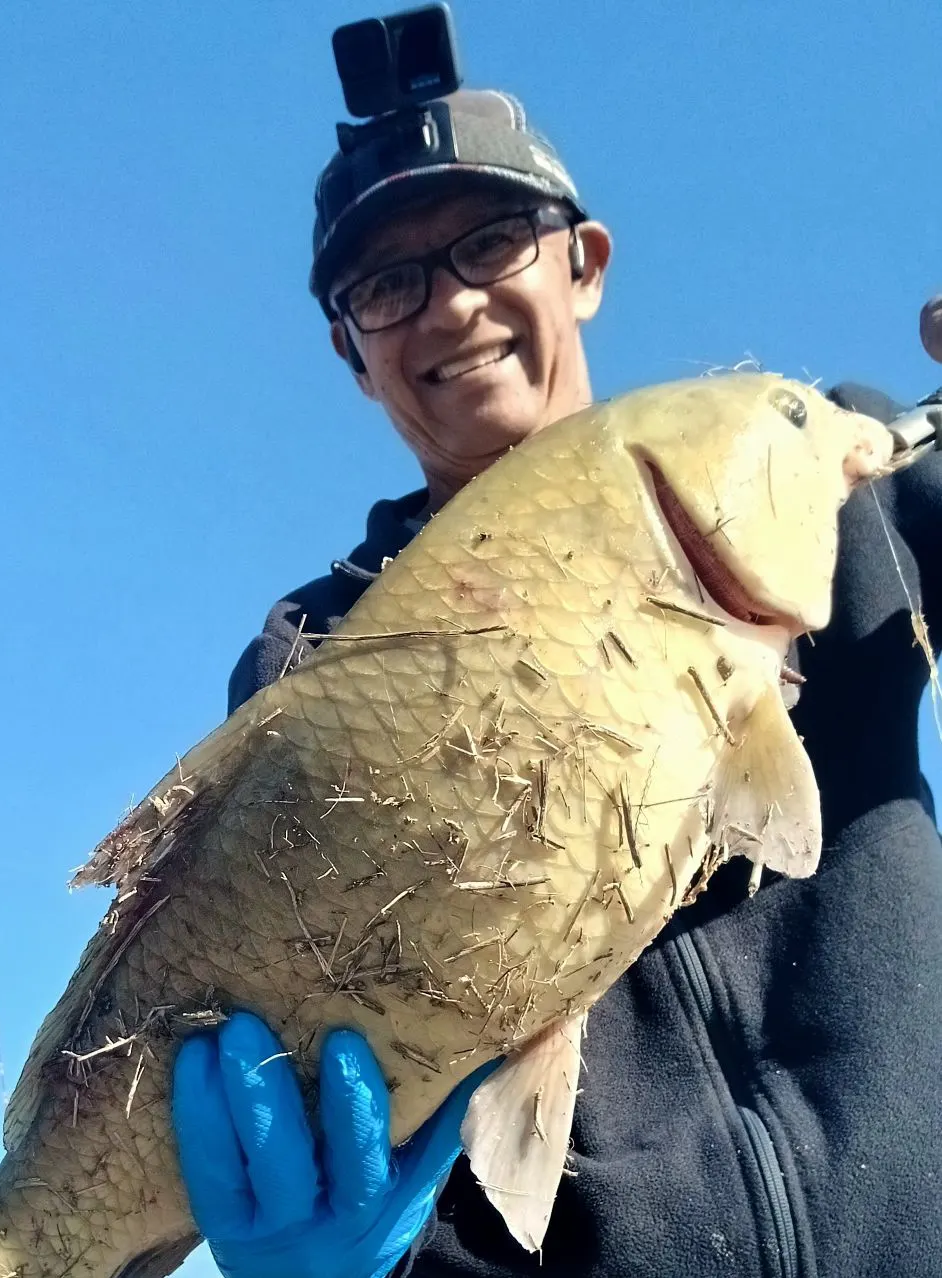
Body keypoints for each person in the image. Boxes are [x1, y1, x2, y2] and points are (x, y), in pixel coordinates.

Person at [168, 46, 942, 1278]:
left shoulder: (821, 486)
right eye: (389, 282)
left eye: (492, 243)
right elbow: (331, 1055)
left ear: (583, 264)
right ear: (348, 351)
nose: (452, 304)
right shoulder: (312, 664)